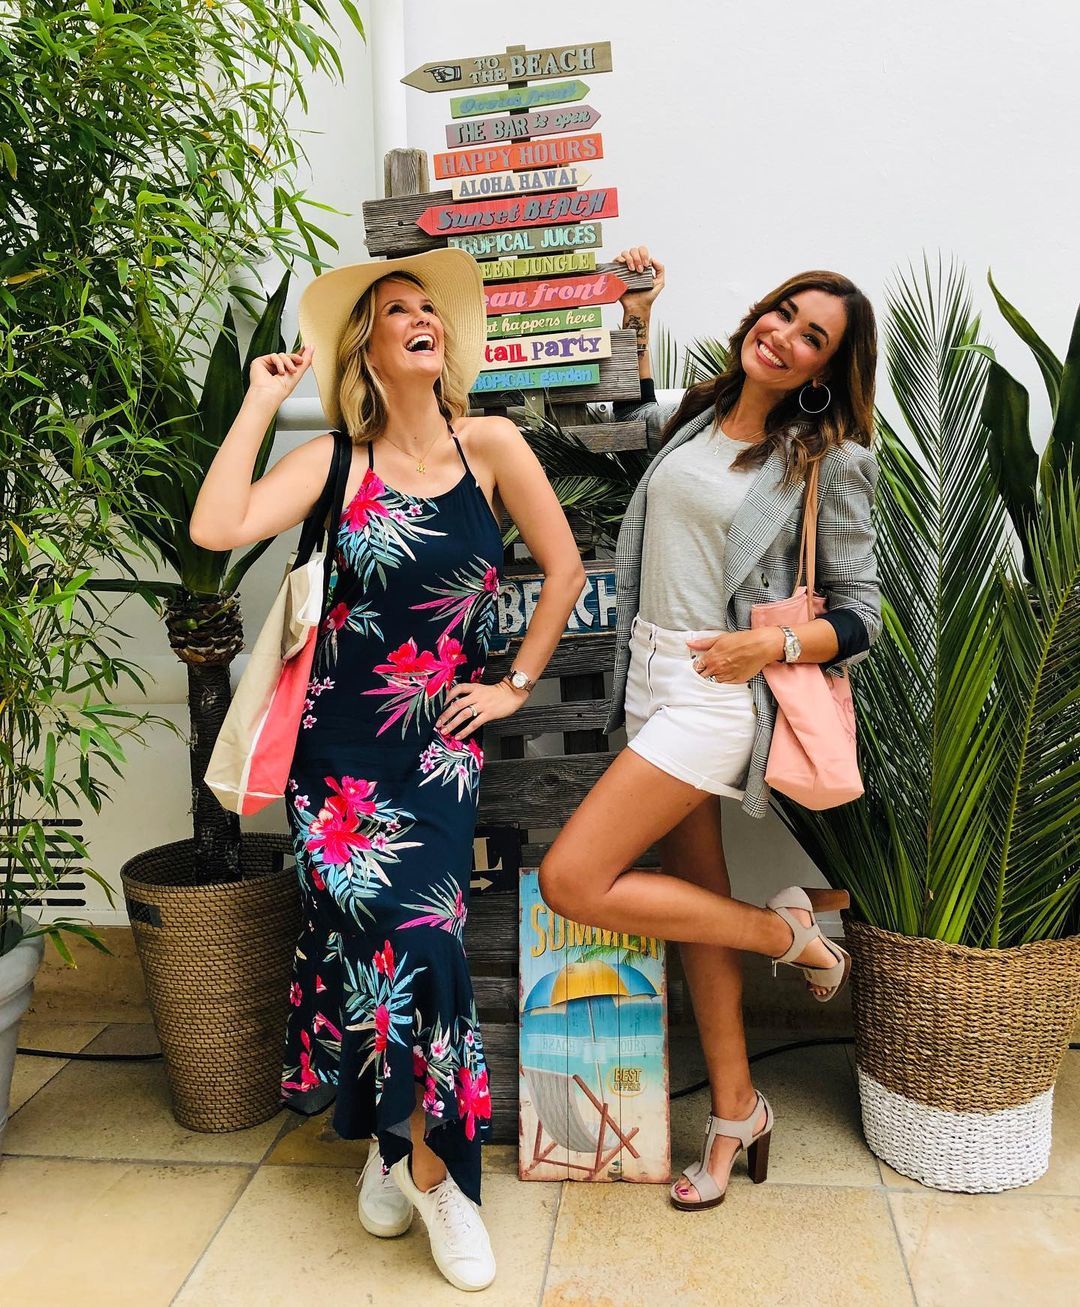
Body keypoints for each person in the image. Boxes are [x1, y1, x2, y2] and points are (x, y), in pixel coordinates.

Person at [190, 249, 584, 1290]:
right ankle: (417, 1161)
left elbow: (564, 569)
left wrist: (515, 684)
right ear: (366, 348)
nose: (422, 319)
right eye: (396, 309)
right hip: (337, 756)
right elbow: (215, 527)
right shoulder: (334, 461)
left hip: (440, 750)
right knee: (377, 946)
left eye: (429, 309)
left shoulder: (491, 444)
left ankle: (419, 1165)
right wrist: (259, 401)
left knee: (421, 942)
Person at [539, 245, 881, 1212]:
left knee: (574, 879)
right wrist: (637, 316)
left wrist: (771, 647)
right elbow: (621, 433)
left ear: (826, 370)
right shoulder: (697, 412)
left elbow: (863, 612)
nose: (784, 335)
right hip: (650, 678)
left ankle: (792, 935)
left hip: (716, 696)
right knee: (695, 902)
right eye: (783, 313)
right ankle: (736, 1111)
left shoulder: (826, 461)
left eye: (812, 336)